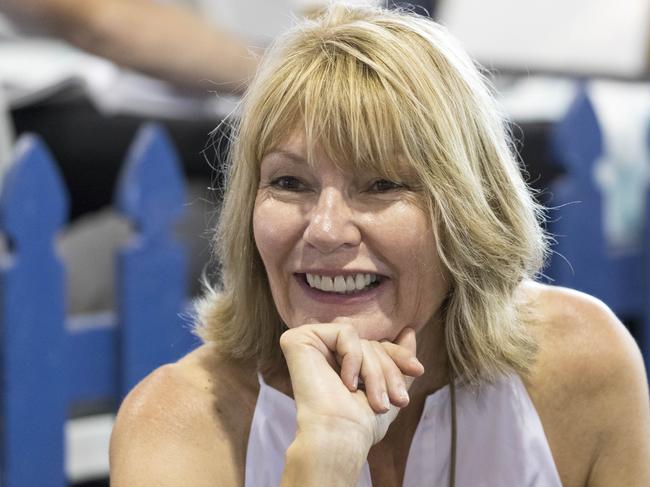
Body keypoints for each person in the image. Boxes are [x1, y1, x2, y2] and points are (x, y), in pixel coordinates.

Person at [109, 4, 650, 486]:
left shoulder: (580, 364)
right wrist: (324, 458)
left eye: (382, 185)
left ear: (467, 210)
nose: (324, 229)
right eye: (289, 183)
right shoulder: (176, 424)